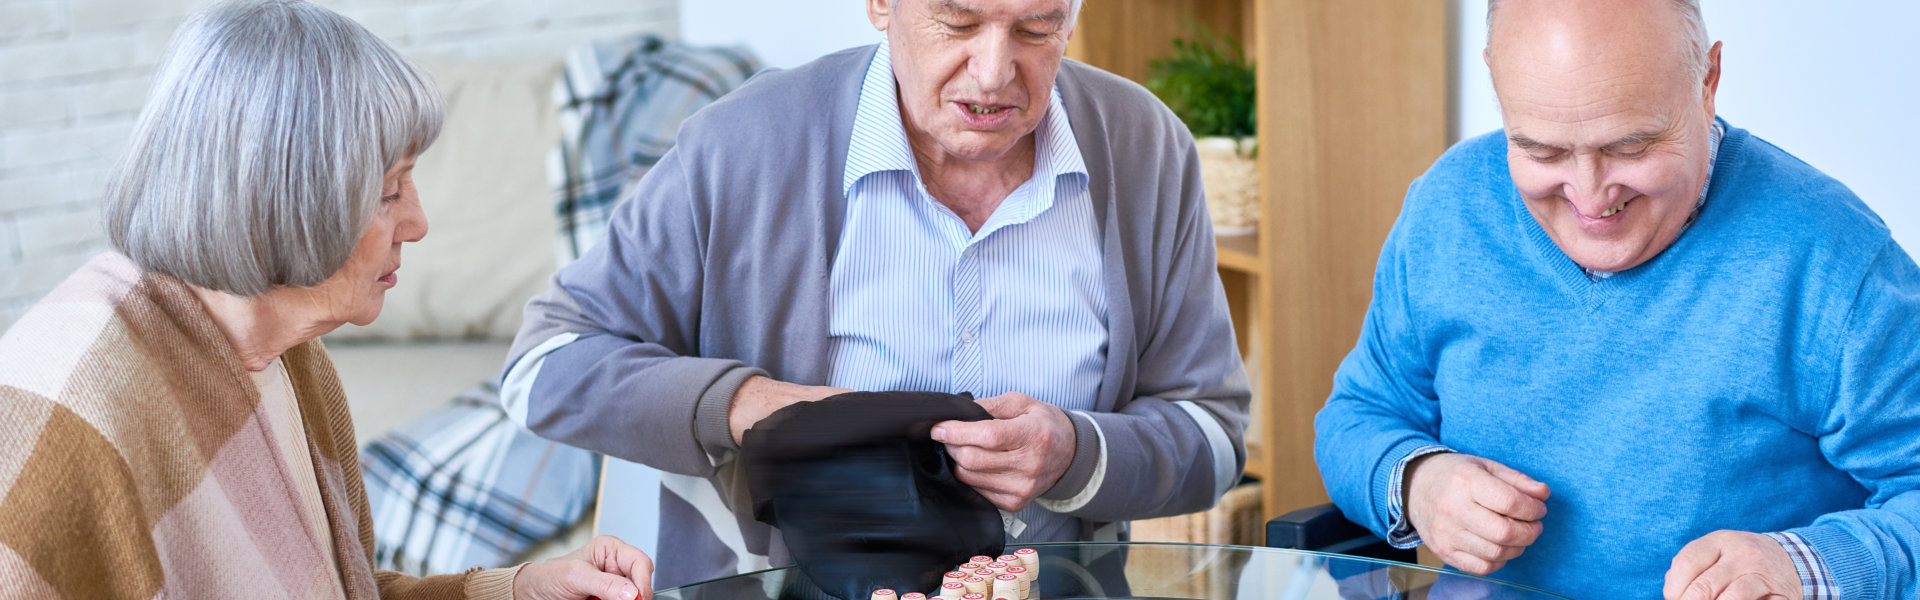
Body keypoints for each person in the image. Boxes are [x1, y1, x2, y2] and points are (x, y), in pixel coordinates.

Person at [501, 0, 1251, 587]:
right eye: (957, 21)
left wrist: (1075, 455)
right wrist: (752, 405)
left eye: (1036, 28)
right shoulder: (743, 145)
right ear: (880, 3)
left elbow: (1215, 439)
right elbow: (544, 367)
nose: (994, 71)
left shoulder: (1144, 147)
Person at [0, 2, 654, 598]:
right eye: (389, 191)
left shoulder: (291, 352)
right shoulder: (69, 428)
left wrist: (519, 589)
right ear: (282, 199)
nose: (419, 223)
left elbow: (350, 590)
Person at [1314, 0, 1920, 598]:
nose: (1589, 197)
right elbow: (1357, 416)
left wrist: (1802, 567)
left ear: (1707, 81)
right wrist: (1418, 482)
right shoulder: (1448, 209)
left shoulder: (1832, 259)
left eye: (1630, 148)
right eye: (1542, 151)